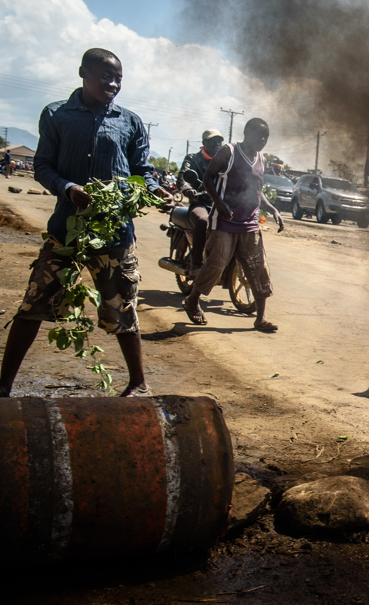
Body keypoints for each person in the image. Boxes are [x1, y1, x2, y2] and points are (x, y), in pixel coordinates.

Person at [0, 48, 167, 399]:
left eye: (118, 77)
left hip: (115, 233)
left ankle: (138, 383)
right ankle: (3, 384)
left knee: (123, 307)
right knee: (34, 303)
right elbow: (44, 165)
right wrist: (68, 188)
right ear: (83, 73)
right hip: (67, 232)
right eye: (106, 75)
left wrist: (154, 190)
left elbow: (143, 171)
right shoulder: (57, 114)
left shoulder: (130, 121)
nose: (113, 83)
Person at [182, 118, 283, 332]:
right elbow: (209, 178)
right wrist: (220, 203)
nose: (263, 140)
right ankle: (192, 301)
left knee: (258, 268)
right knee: (215, 266)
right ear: (247, 133)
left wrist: (272, 209)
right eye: (259, 136)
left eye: (266, 137)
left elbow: (257, 191)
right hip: (224, 223)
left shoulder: (261, 159)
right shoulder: (229, 152)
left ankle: (260, 318)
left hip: (250, 223)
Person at [177, 129, 225, 275]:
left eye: (219, 142)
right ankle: (196, 265)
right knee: (203, 221)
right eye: (213, 142)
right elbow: (183, 177)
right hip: (200, 202)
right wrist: (187, 189)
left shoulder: (224, 161)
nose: (218, 145)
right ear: (204, 143)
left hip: (219, 204)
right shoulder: (193, 159)